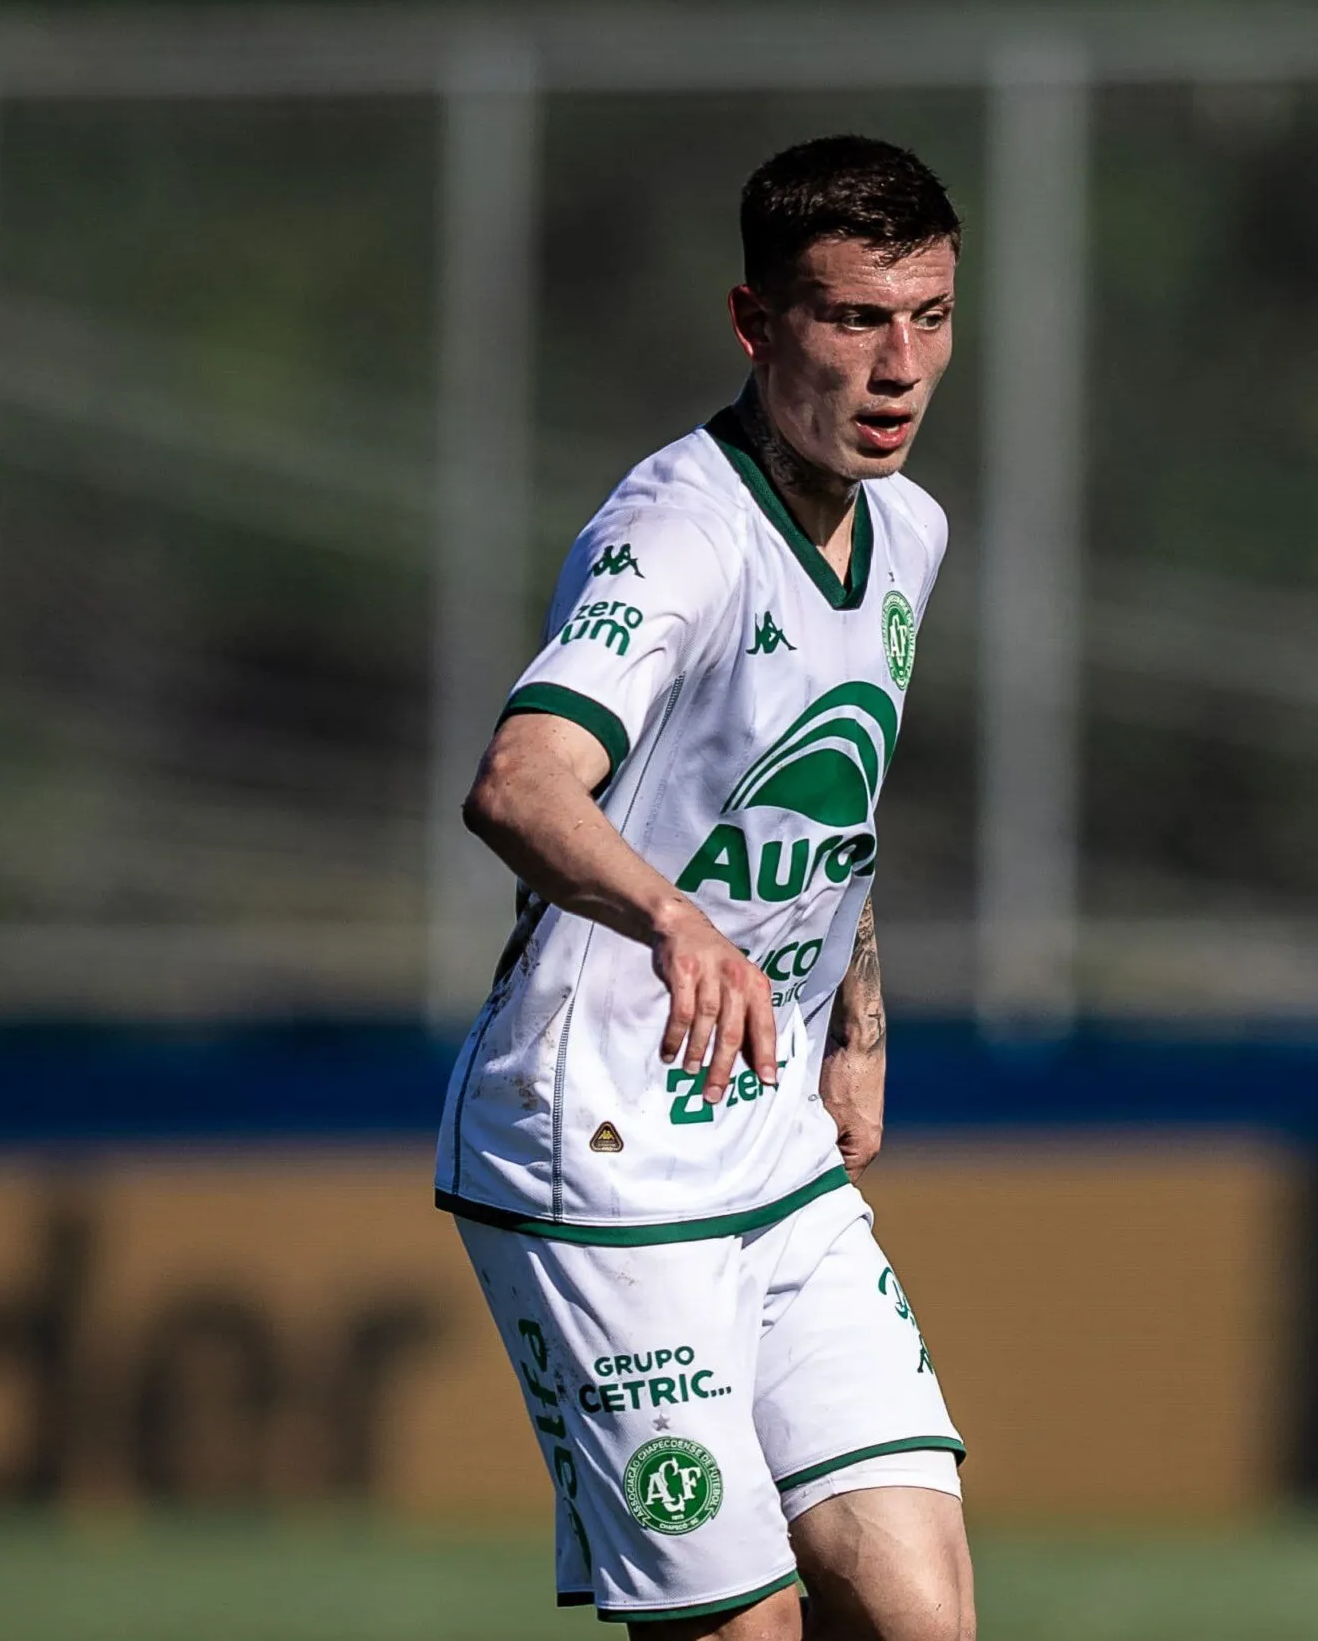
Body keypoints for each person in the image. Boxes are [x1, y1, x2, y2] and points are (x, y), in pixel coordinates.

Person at [436, 135, 971, 1641]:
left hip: (772, 1146)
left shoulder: (909, 531)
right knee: (744, 1630)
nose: (898, 367)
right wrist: (673, 918)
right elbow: (521, 781)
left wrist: (856, 1021)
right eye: (854, 319)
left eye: (928, 316)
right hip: (598, 1148)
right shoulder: (677, 532)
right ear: (755, 323)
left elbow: (824, 796)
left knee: (919, 1614)